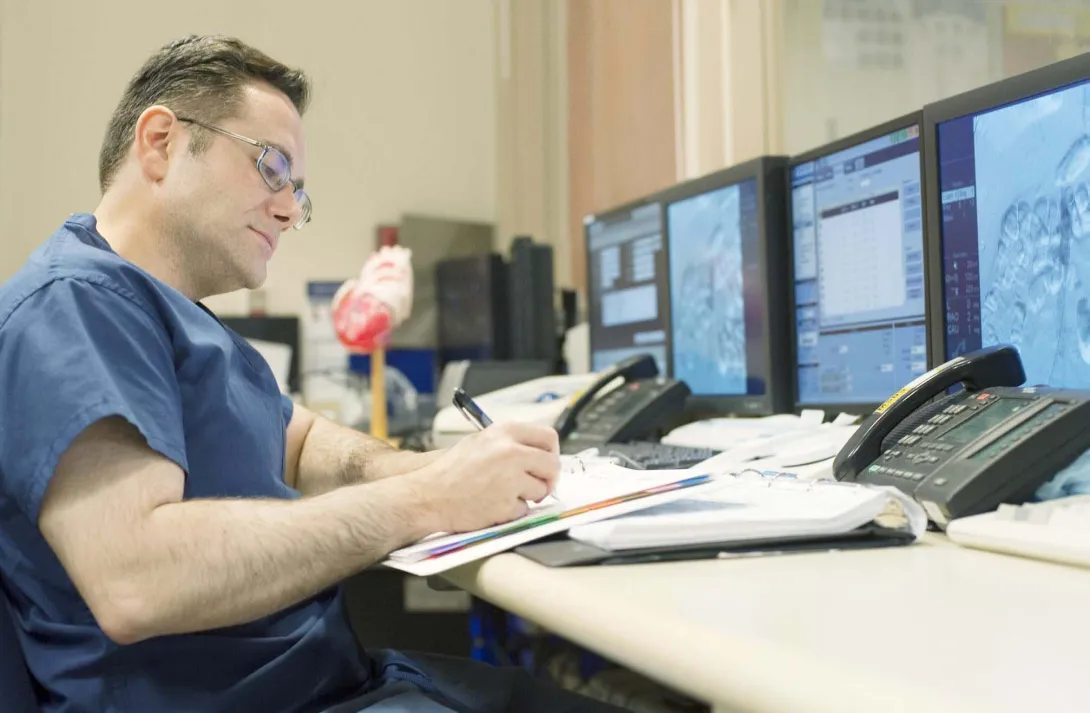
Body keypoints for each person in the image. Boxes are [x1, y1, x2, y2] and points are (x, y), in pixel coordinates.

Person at [0, 35, 625, 713]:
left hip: (334, 683)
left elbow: (299, 445)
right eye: (272, 167)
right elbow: (136, 580)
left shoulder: (185, 318)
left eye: (298, 191)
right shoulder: (73, 304)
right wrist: (426, 501)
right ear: (159, 142)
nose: (289, 209)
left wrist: (459, 469)